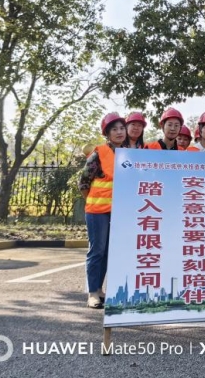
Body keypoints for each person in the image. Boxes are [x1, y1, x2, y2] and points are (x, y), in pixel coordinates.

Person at [78, 112, 126, 309]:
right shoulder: (99, 153)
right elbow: (83, 182)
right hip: (97, 210)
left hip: (119, 211)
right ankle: (92, 293)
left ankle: (99, 289)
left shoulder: (128, 154)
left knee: (107, 251)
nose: (119, 132)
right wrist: (92, 200)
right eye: (114, 129)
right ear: (107, 133)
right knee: (97, 250)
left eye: (121, 128)